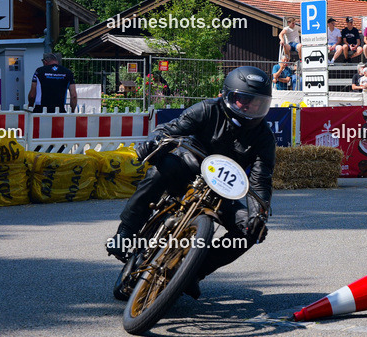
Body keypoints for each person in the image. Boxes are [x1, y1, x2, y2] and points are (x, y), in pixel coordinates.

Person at [106, 66, 275, 297]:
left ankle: (193, 272)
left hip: (222, 191)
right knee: (160, 170)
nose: (250, 107)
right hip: (186, 169)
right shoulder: (206, 109)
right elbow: (170, 129)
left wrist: (258, 213)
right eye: (244, 100)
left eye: (257, 103)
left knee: (251, 230)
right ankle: (126, 232)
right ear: (227, 96)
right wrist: (154, 141)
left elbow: (261, 179)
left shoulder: (264, 137)